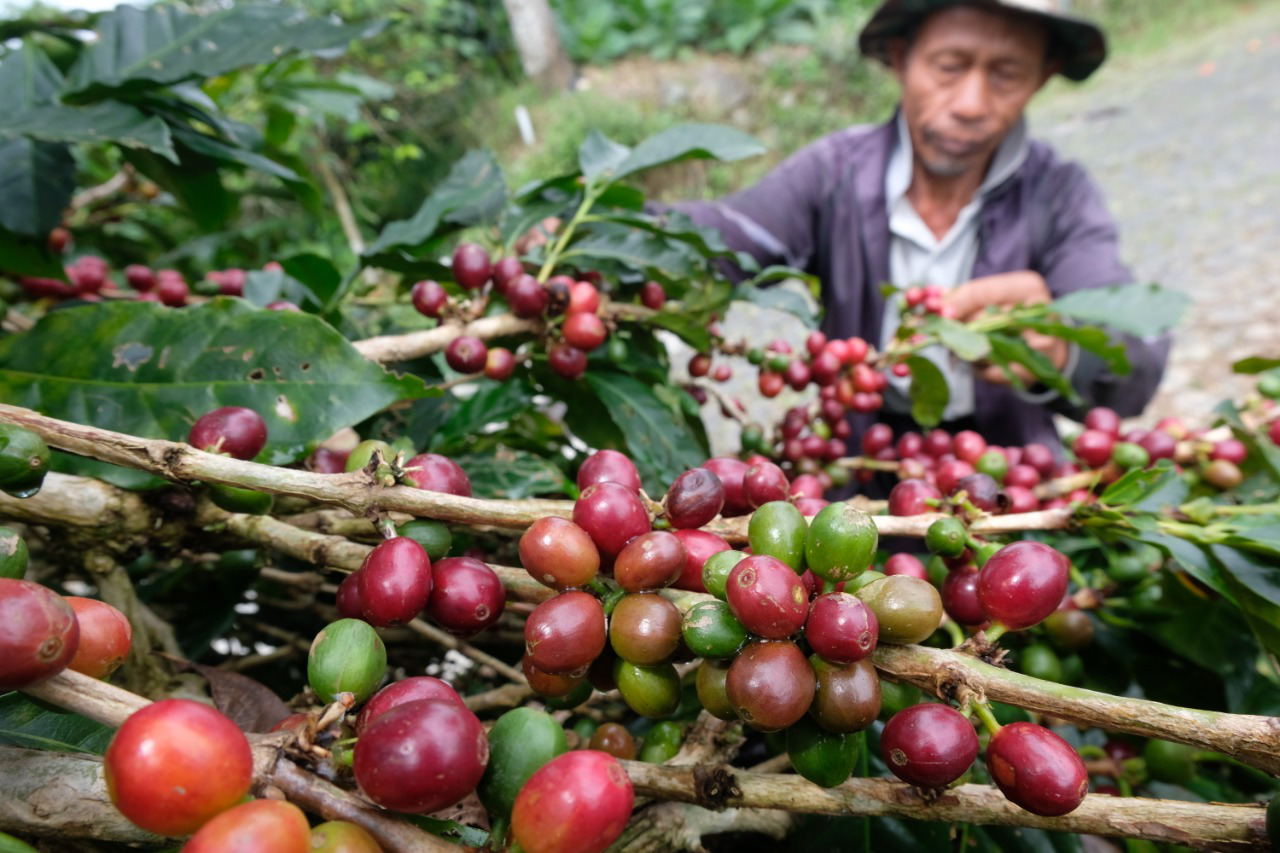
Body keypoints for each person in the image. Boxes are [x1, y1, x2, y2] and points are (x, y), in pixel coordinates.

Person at [655, 0, 1170, 454]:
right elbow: (723, 235)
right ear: (902, 57)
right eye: (949, 67)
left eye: (1007, 73)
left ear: (1042, 75)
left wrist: (1063, 349)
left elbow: (1134, 361)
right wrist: (616, 235)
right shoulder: (834, 173)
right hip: (861, 461)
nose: (971, 104)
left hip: (1005, 472)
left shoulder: (1059, 194)